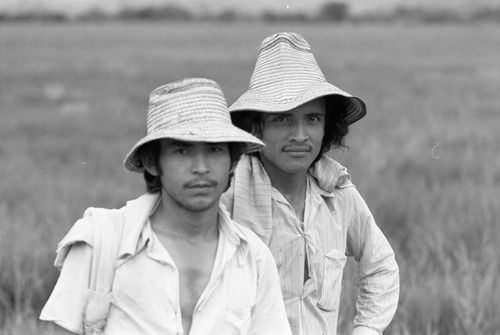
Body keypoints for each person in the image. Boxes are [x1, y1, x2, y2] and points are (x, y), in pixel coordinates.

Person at [40, 78, 292, 335]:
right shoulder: (102, 240)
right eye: (182, 151)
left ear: (233, 161)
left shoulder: (254, 258)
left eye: (215, 149)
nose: (201, 167)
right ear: (152, 161)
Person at [221, 32, 400, 335]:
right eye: (282, 119)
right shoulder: (230, 195)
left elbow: (380, 268)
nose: (300, 135)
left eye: (313, 119)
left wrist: (367, 329)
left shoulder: (338, 194)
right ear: (256, 126)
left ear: (326, 126)